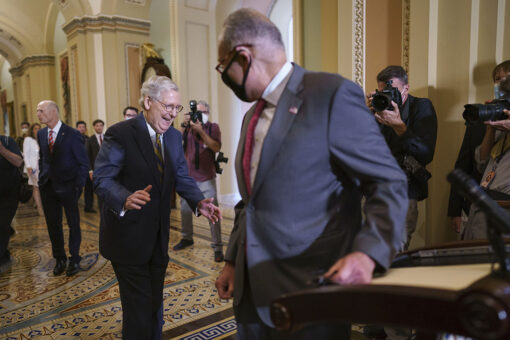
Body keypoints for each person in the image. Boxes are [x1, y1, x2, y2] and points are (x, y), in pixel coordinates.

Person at [214, 9, 408, 339]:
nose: (224, 75)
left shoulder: (330, 94)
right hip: (250, 289)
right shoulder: (251, 117)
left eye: (223, 67)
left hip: (310, 290)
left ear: (243, 57)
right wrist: (233, 260)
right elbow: (252, 200)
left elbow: (387, 181)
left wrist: (367, 253)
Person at [94, 75, 222, 339]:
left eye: (177, 108)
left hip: (158, 238)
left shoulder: (174, 137)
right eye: (168, 106)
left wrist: (199, 201)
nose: (173, 114)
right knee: (138, 310)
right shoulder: (121, 134)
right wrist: (124, 198)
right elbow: (104, 179)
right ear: (148, 101)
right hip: (127, 239)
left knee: (154, 307)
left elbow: (182, 176)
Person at [367, 66, 437, 250]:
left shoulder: (420, 107)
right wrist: (366, 115)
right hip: (374, 189)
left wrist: (399, 126)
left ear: (406, 88)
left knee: (396, 249)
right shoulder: (377, 110)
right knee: (371, 247)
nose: (388, 96)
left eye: (393, 92)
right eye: (383, 92)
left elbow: (426, 153)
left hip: (404, 190)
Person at [37, 100, 89, 277]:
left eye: (41, 111)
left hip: (69, 187)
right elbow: (43, 158)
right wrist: (41, 178)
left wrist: (78, 186)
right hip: (48, 187)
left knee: (73, 224)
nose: (38, 114)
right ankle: (60, 258)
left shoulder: (73, 134)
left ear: (53, 111)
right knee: (53, 225)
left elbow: (83, 163)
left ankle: (74, 258)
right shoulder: (42, 133)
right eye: (38, 111)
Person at [463, 60, 510, 240]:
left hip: (504, 207)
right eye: (498, 79)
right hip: (482, 202)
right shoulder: (499, 115)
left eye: (506, 79)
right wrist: (490, 126)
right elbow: (481, 161)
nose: (501, 84)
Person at [173, 100, 224, 262]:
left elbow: (216, 147)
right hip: (188, 178)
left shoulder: (213, 127)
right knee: (185, 210)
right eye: (196, 112)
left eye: (201, 112)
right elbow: (174, 142)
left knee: (212, 211)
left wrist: (201, 131)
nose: (198, 115)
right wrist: (183, 124)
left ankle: (217, 246)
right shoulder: (187, 128)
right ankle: (187, 237)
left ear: (207, 113)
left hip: (206, 177)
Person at [0, 135, 23, 269]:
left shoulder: (8, 141)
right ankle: (4, 253)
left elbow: (19, 162)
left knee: (3, 224)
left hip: (9, 193)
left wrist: (2, 150)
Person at [23, 123, 44, 216]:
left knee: (42, 187)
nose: (37, 130)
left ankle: (44, 206)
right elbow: (25, 154)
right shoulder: (28, 140)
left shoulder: (42, 140)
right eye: (35, 128)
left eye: (39, 128)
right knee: (36, 187)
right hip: (32, 167)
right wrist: (28, 166)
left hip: (42, 167)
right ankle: (40, 209)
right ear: (32, 130)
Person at [86, 119, 105, 212]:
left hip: (108, 169)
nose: (99, 127)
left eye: (101, 125)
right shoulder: (90, 140)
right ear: (94, 127)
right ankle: (101, 209)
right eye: (97, 125)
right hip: (96, 170)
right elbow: (87, 156)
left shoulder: (108, 138)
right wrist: (90, 170)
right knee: (99, 190)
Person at [76, 120, 95, 212]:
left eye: (83, 127)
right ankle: (73, 205)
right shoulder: (73, 139)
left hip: (87, 166)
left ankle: (88, 207)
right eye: (80, 127)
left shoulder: (89, 139)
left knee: (89, 188)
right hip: (77, 167)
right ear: (76, 128)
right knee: (78, 188)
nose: (82, 129)